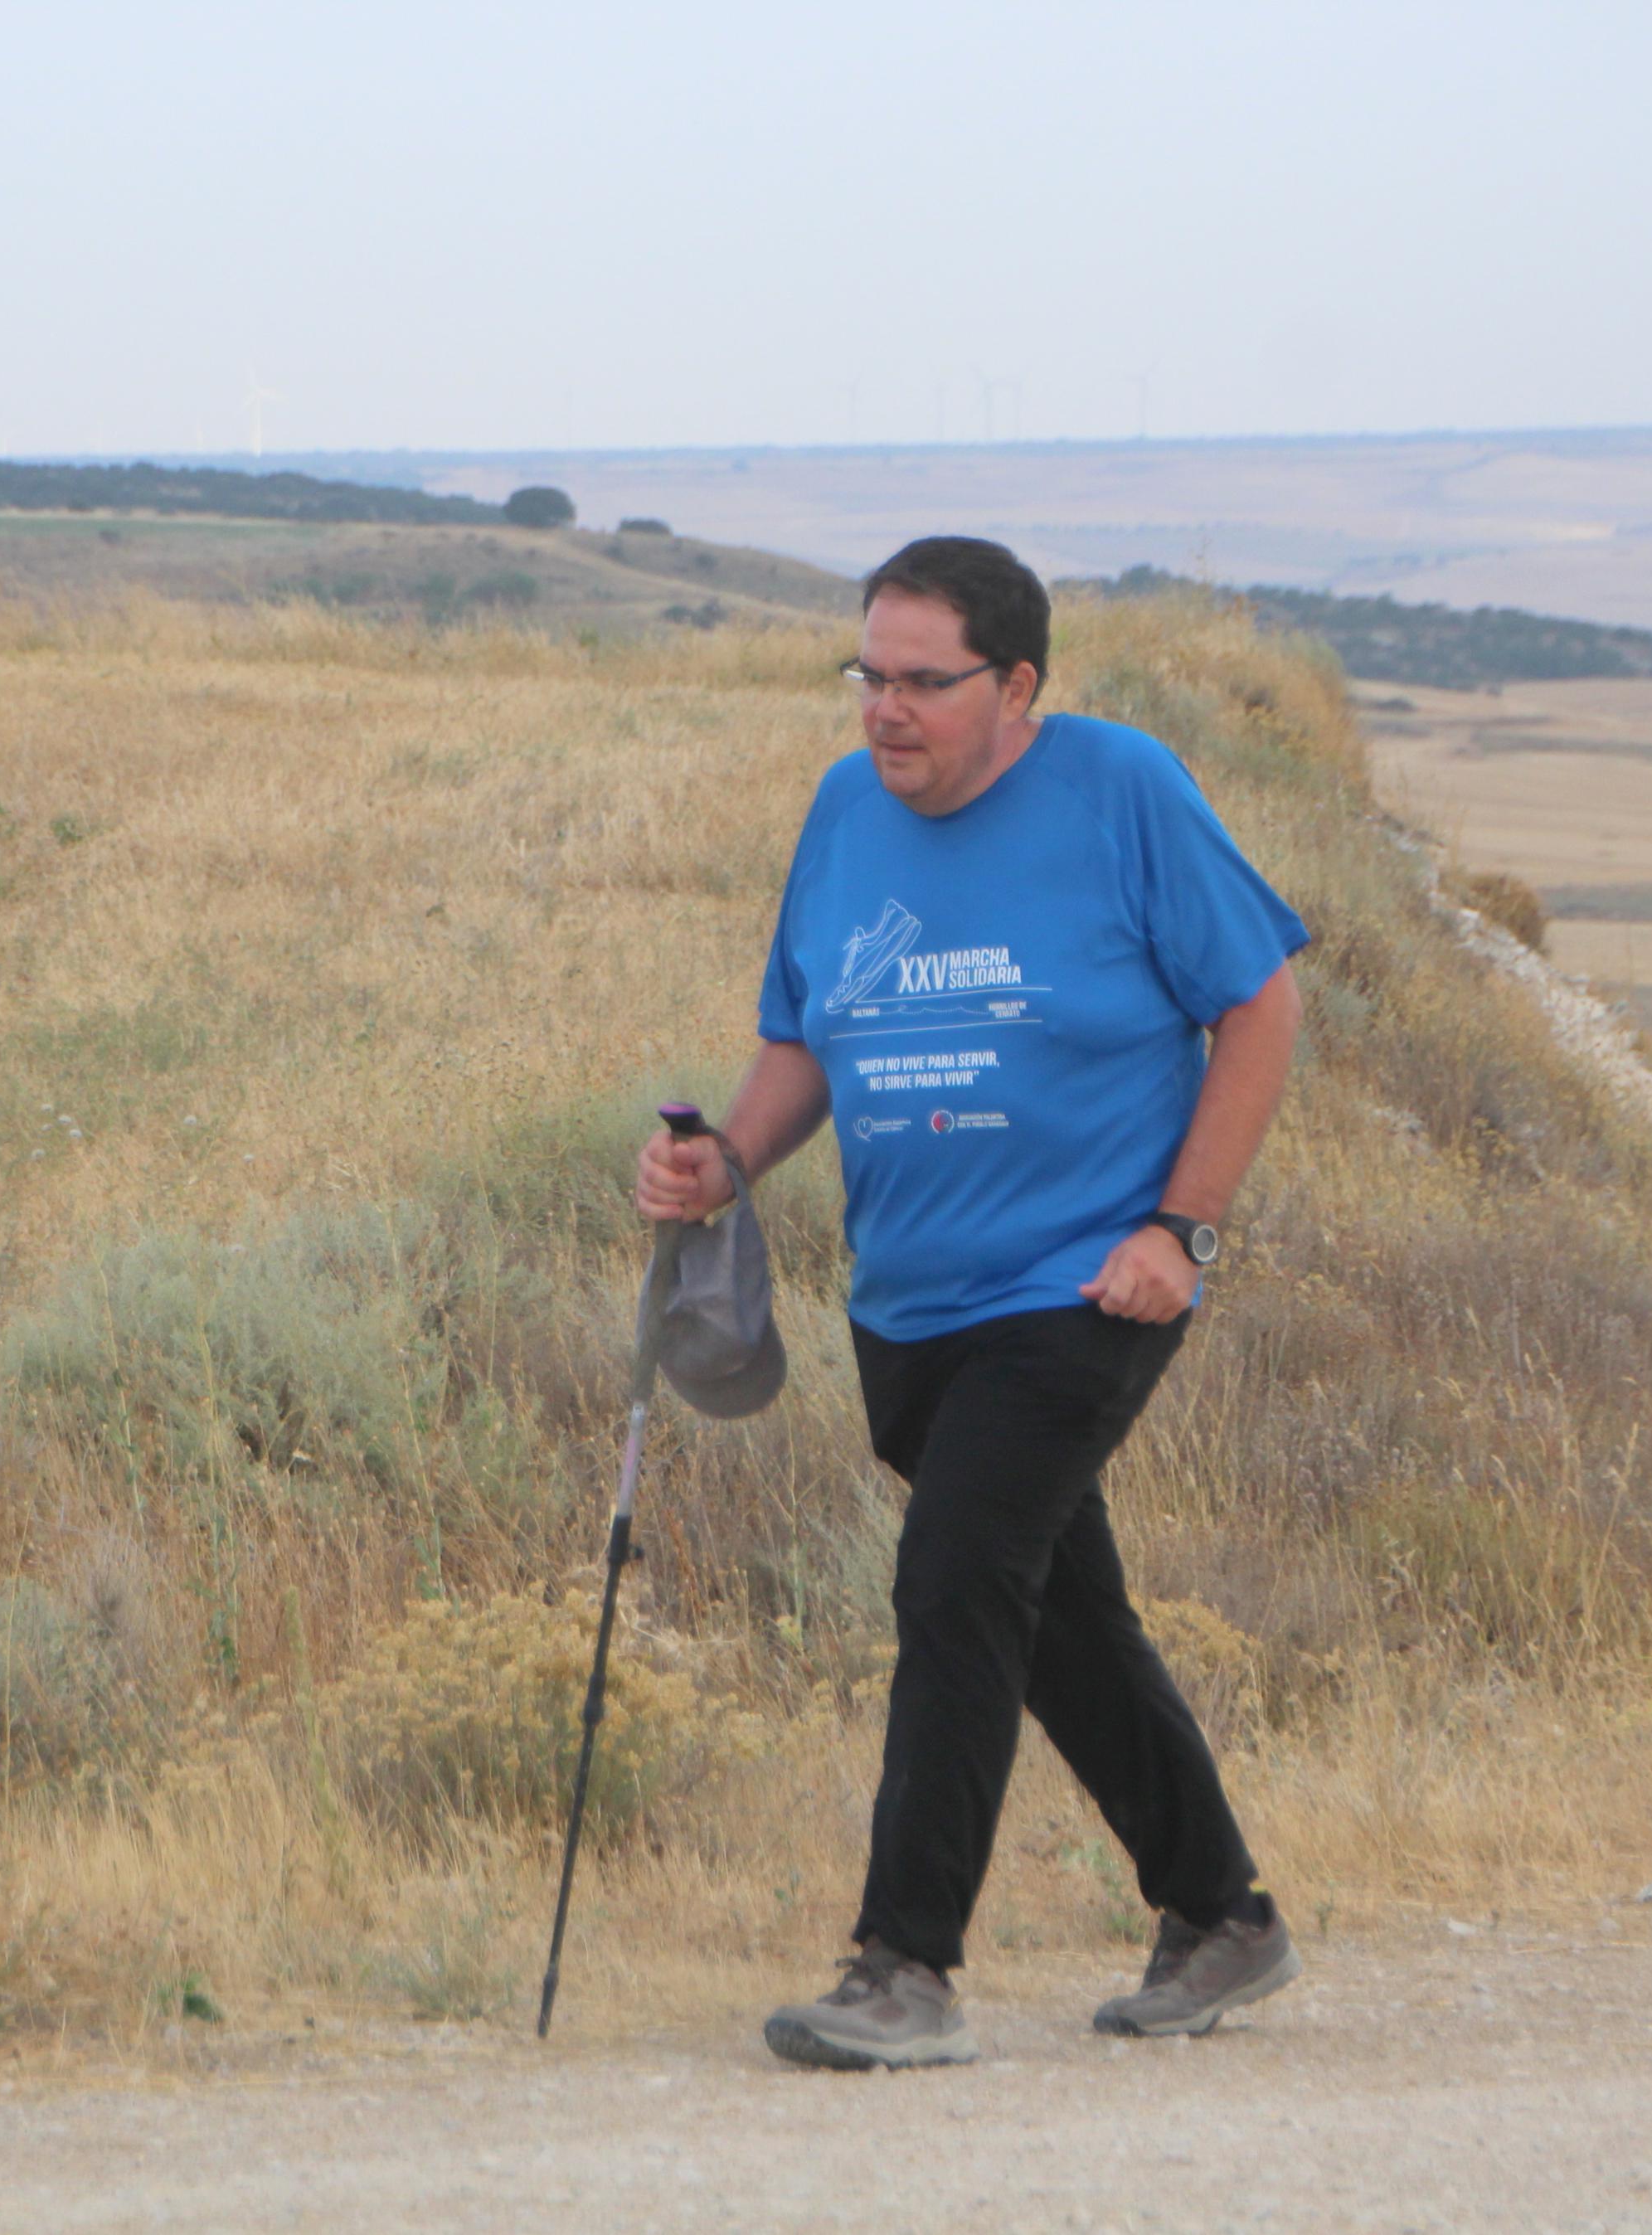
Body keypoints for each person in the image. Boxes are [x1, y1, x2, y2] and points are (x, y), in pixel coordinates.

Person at [634, 536, 1309, 2071]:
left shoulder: (1121, 789)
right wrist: (726, 1159)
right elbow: (805, 1034)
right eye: (868, 675)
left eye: (923, 683)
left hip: (1084, 1284)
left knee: (953, 1578)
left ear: (1016, 686)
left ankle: (904, 1968)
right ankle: (1223, 1917)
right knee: (1056, 1613)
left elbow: (1260, 1000)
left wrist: (1180, 1232)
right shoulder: (838, 814)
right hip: (910, 1303)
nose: (886, 711)